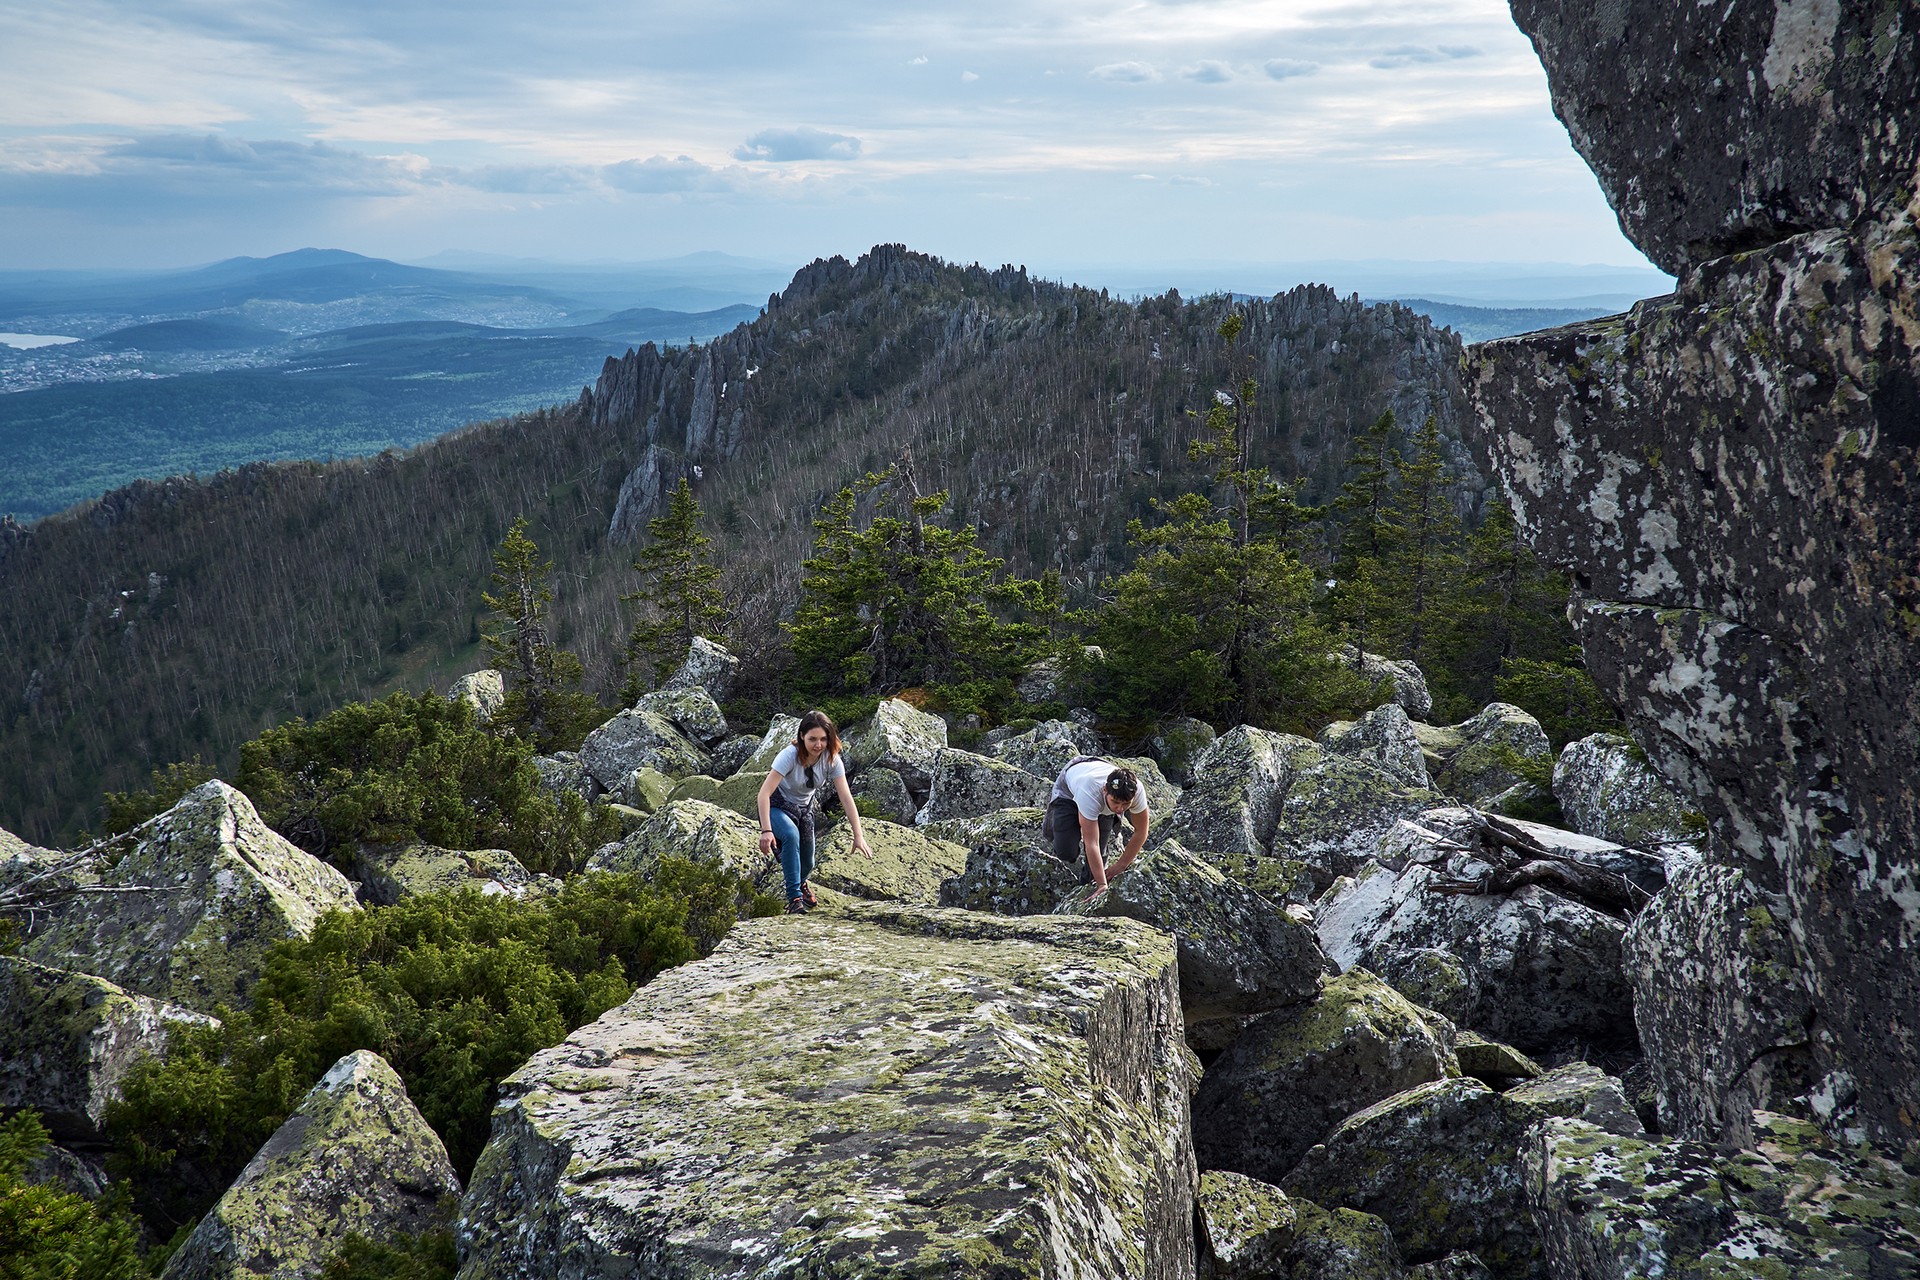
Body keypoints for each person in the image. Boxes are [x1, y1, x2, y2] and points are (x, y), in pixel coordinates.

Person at [757, 709, 871, 914]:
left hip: (805, 810)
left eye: (823, 739)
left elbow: (845, 797)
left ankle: (800, 883)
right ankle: (794, 899)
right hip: (777, 806)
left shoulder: (832, 760)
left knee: (808, 862)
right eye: (812, 739)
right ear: (802, 737)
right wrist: (767, 831)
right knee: (791, 836)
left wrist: (858, 835)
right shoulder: (789, 756)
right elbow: (763, 793)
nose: (818, 745)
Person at [1042, 755, 1149, 891]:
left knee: (1096, 873)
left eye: (1126, 804)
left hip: (1100, 800)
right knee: (1066, 851)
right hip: (1070, 789)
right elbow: (1092, 842)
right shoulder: (1090, 790)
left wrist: (1121, 865)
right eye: (1116, 802)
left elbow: (1141, 831)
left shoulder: (1137, 790)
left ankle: (1084, 888)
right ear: (1105, 790)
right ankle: (1060, 820)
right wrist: (1102, 884)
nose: (1120, 809)